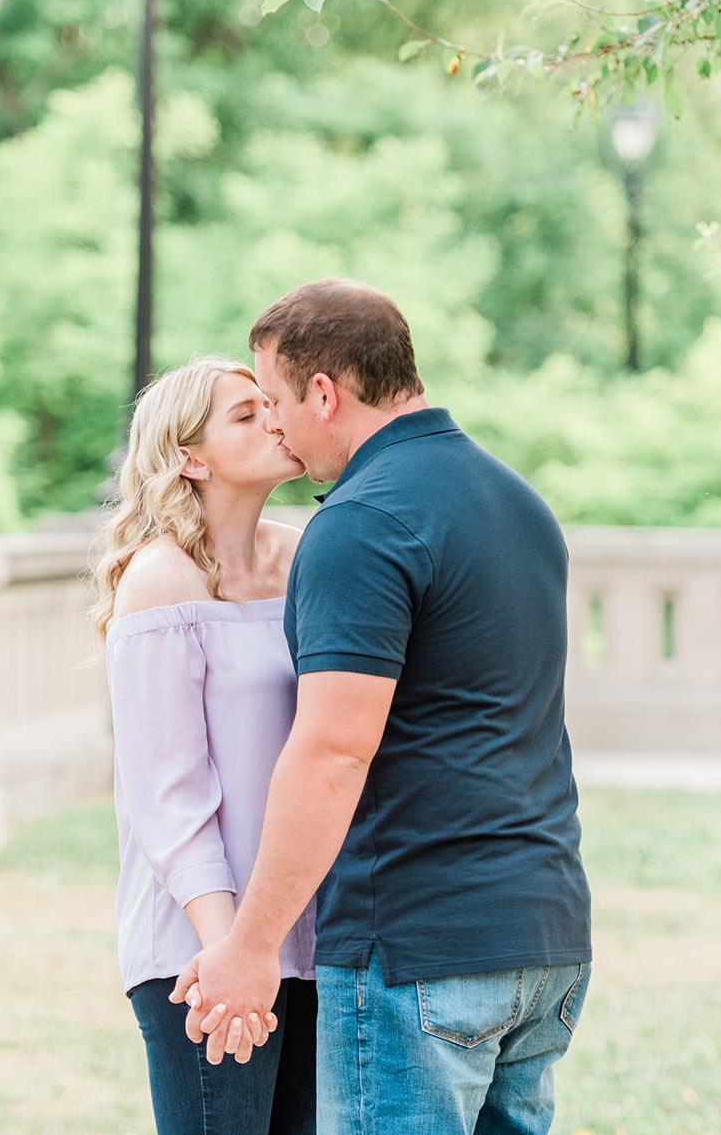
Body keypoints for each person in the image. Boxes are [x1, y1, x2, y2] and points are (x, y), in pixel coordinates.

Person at [171, 281, 594, 1135]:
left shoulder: (362, 522)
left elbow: (332, 751)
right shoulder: (519, 501)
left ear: (325, 391)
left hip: (417, 950)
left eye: (280, 400)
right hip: (544, 937)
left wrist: (250, 947)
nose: (277, 424)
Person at [92, 356, 318, 1135]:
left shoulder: (307, 558)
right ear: (191, 456)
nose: (274, 420)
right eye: (245, 415)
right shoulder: (161, 580)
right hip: (201, 947)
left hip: (309, 934)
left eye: (272, 406)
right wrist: (229, 953)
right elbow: (168, 795)